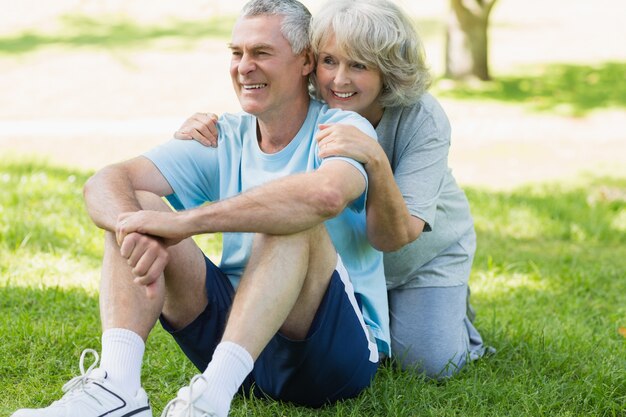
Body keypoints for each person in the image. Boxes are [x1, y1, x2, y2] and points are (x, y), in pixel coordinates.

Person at [10, 1, 390, 417]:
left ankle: (208, 403)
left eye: (261, 53)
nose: (244, 67)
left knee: (293, 222)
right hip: (235, 348)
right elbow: (106, 180)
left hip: (326, 356)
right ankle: (117, 391)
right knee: (137, 203)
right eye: (236, 53)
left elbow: (325, 197)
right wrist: (133, 228)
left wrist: (184, 223)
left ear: (304, 62)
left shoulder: (343, 128)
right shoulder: (222, 136)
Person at [175, 0, 493, 379]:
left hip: (420, 256)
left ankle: (452, 309)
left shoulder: (421, 118)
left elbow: (397, 237)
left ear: (389, 70)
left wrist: (375, 159)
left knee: (431, 365)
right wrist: (204, 124)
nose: (338, 80)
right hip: (351, 260)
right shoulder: (314, 104)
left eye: (358, 65)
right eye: (329, 61)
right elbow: (262, 107)